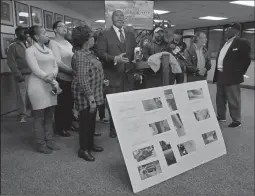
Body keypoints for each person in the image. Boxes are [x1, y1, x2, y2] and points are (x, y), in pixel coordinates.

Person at [96, 10, 136, 138]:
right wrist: (114, 58)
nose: (120, 18)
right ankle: (114, 130)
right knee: (115, 105)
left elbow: (133, 53)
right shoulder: (104, 34)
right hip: (113, 75)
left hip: (128, 76)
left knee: (127, 104)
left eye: (121, 16)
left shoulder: (130, 35)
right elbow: (100, 53)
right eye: (116, 16)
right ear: (112, 19)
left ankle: (126, 128)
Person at [25, 25, 61, 154]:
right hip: (38, 86)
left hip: (51, 84)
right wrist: (49, 77)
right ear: (36, 36)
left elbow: (55, 65)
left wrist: (53, 75)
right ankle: (41, 144)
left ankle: (49, 141)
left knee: (49, 116)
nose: (47, 35)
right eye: (44, 33)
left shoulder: (49, 50)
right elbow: (35, 70)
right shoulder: (30, 51)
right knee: (39, 117)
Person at [71, 25, 104, 161]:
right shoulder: (80, 56)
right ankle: (83, 149)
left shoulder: (88, 53)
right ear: (85, 39)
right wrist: (91, 99)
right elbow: (83, 79)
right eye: (91, 36)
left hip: (93, 91)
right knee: (85, 123)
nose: (93, 38)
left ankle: (90, 144)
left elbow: (92, 71)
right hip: (86, 95)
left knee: (91, 121)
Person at [213, 23, 251, 128]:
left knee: (233, 99)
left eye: (229, 29)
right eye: (225, 29)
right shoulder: (224, 43)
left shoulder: (242, 43)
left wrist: (239, 72)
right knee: (220, 98)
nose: (226, 31)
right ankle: (221, 117)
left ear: (236, 31)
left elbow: (246, 60)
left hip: (232, 76)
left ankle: (236, 120)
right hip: (220, 74)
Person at [48, 21, 73, 137]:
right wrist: (72, 71)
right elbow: (58, 62)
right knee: (62, 104)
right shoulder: (53, 43)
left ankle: (68, 124)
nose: (64, 28)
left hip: (72, 77)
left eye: (65, 26)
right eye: (61, 26)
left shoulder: (68, 42)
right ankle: (60, 127)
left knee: (70, 102)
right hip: (62, 77)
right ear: (55, 30)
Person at [7, 26, 31, 122]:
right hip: (22, 75)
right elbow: (11, 62)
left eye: (26, 33)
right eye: (23, 32)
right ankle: (22, 115)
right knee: (22, 95)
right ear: (17, 34)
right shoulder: (13, 46)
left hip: (32, 74)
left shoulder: (29, 44)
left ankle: (31, 111)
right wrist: (18, 75)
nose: (26, 34)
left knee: (31, 94)